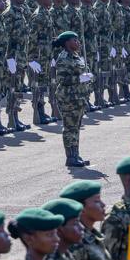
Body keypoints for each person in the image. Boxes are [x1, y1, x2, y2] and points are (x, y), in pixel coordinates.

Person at [52, 30, 92, 167]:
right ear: (67, 43)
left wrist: (88, 77)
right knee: (70, 127)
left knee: (76, 127)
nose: (78, 42)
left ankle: (76, 154)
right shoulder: (64, 58)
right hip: (68, 98)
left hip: (78, 96)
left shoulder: (76, 56)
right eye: (75, 40)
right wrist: (82, 78)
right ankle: (70, 157)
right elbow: (63, 79)